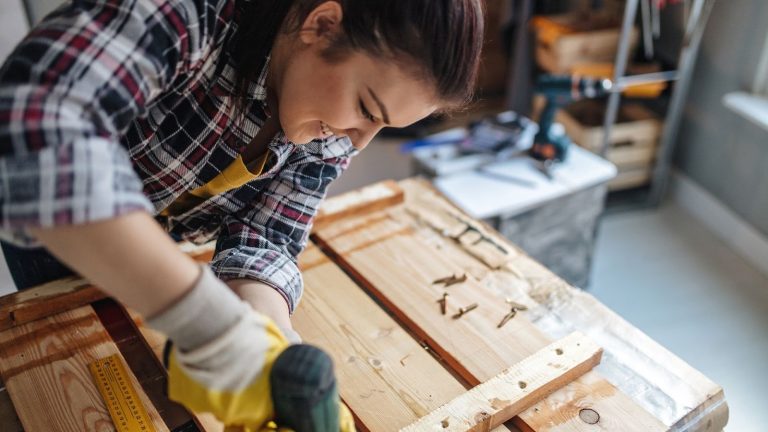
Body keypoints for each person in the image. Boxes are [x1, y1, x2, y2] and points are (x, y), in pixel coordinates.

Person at [0, 0, 484, 429]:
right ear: (322, 26)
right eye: (365, 108)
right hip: (54, 230)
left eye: (382, 127)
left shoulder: (332, 131)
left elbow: (267, 234)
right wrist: (209, 324)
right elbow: (36, 130)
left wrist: (271, 341)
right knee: (59, 372)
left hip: (163, 231)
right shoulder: (187, 14)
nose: (358, 141)